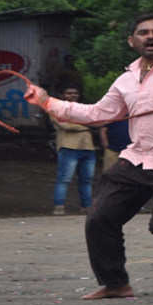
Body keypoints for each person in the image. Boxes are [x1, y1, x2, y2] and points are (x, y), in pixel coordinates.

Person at [24, 13, 153, 300]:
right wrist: (46, 102)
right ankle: (116, 284)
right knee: (99, 218)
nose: (151, 36)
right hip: (137, 159)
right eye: (143, 32)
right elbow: (96, 115)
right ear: (132, 41)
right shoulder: (126, 81)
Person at [50, 84, 97, 216]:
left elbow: (98, 122)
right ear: (62, 95)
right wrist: (87, 125)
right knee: (64, 179)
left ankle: (86, 207)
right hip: (68, 147)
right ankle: (59, 207)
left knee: (87, 180)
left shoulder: (84, 108)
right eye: (69, 93)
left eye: (75, 93)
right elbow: (65, 126)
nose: (72, 95)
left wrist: (85, 124)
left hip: (88, 147)